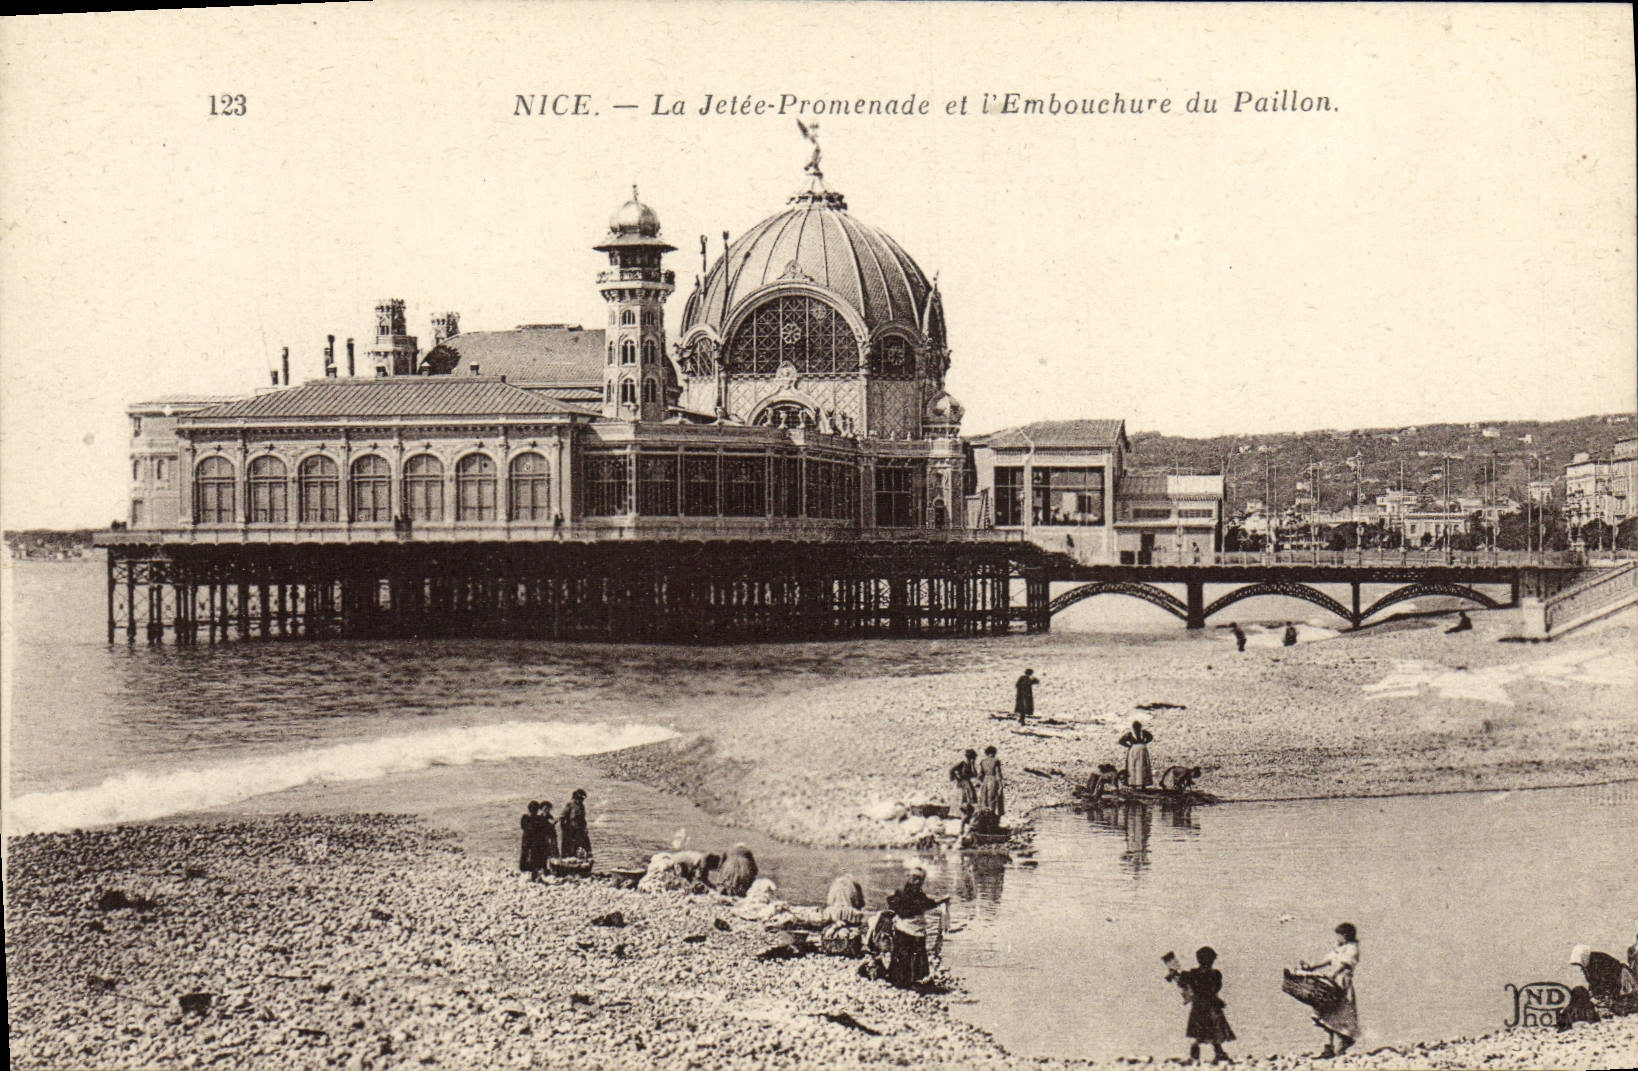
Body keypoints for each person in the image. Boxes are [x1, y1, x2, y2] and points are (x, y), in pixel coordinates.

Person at [1292, 922, 1360, 1058]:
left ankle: (1341, 1045)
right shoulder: (1339, 948)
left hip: (1341, 984)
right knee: (1324, 1015)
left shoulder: (1352, 949)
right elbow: (1327, 960)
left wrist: (1333, 974)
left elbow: (1343, 965)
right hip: (1331, 983)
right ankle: (1328, 1047)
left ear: (1345, 935)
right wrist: (1311, 967)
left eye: (1339, 935)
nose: (1337, 938)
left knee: (1339, 1015)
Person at [1169, 946, 1235, 1065]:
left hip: (1199, 1006)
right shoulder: (1215, 974)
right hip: (1212, 1006)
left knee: (1198, 1033)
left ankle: (1195, 1057)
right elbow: (1216, 988)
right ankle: (1219, 1054)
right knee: (1214, 1032)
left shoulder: (1192, 974)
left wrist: (1175, 975)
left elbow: (1182, 982)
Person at [885, 866, 946, 989]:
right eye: (915, 878)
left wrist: (939, 901)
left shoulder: (916, 892)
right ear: (909, 877)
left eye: (920, 879)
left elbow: (925, 903)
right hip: (907, 927)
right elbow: (920, 904)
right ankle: (910, 980)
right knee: (910, 953)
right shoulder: (906, 892)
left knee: (908, 953)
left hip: (909, 927)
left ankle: (904, 979)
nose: (917, 881)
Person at [1569, 944, 1638, 1005]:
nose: (1580, 966)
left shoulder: (1599, 961)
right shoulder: (1588, 965)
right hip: (1612, 981)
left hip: (1620, 977)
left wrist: (1596, 992)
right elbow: (1592, 981)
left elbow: (1608, 978)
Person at [1119, 720, 1155, 789]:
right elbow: (1150, 737)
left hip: (1135, 750)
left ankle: (1135, 784)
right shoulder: (1142, 733)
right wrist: (1144, 742)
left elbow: (1121, 741)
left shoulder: (1131, 734)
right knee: (1141, 766)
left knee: (1135, 766)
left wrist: (1129, 746)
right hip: (1141, 750)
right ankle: (1141, 785)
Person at [559, 788, 592, 860]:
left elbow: (583, 819)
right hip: (571, 830)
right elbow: (562, 817)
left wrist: (585, 828)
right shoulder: (570, 805)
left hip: (580, 830)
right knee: (570, 847)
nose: (581, 801)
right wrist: (565, 829)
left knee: (582, 846)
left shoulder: (582, 806)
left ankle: (581, 859)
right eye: (580, 799)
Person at [519, 801, 547, 881]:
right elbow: (542, 828)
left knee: (526, 855)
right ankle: (534, 873)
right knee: (535, 857)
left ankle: (527, 871)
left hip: (527, 839)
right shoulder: (538, 818)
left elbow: (523, 827)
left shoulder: (525, 817)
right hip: (534, 840)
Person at [949, 760, 978, 831]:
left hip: (967, 787)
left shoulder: (969, 765)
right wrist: (956, 777)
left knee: (969, 809)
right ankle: (962, 829)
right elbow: (951, 770)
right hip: (964, 788)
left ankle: (964, 828)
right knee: (966, 809)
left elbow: (974, 775)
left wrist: (972, 764)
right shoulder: (962, 764)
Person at [977, 745, 1005, 818]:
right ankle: (991, 816)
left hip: (985, 780)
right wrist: (1000, 784)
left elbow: (980, 774)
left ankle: (984, 816)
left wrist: (979, 782)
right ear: (994, 753)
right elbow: (998, 773)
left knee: (984, 798)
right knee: (992, 798)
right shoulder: (995, 761)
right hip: (993, 780)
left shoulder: (983, 762)